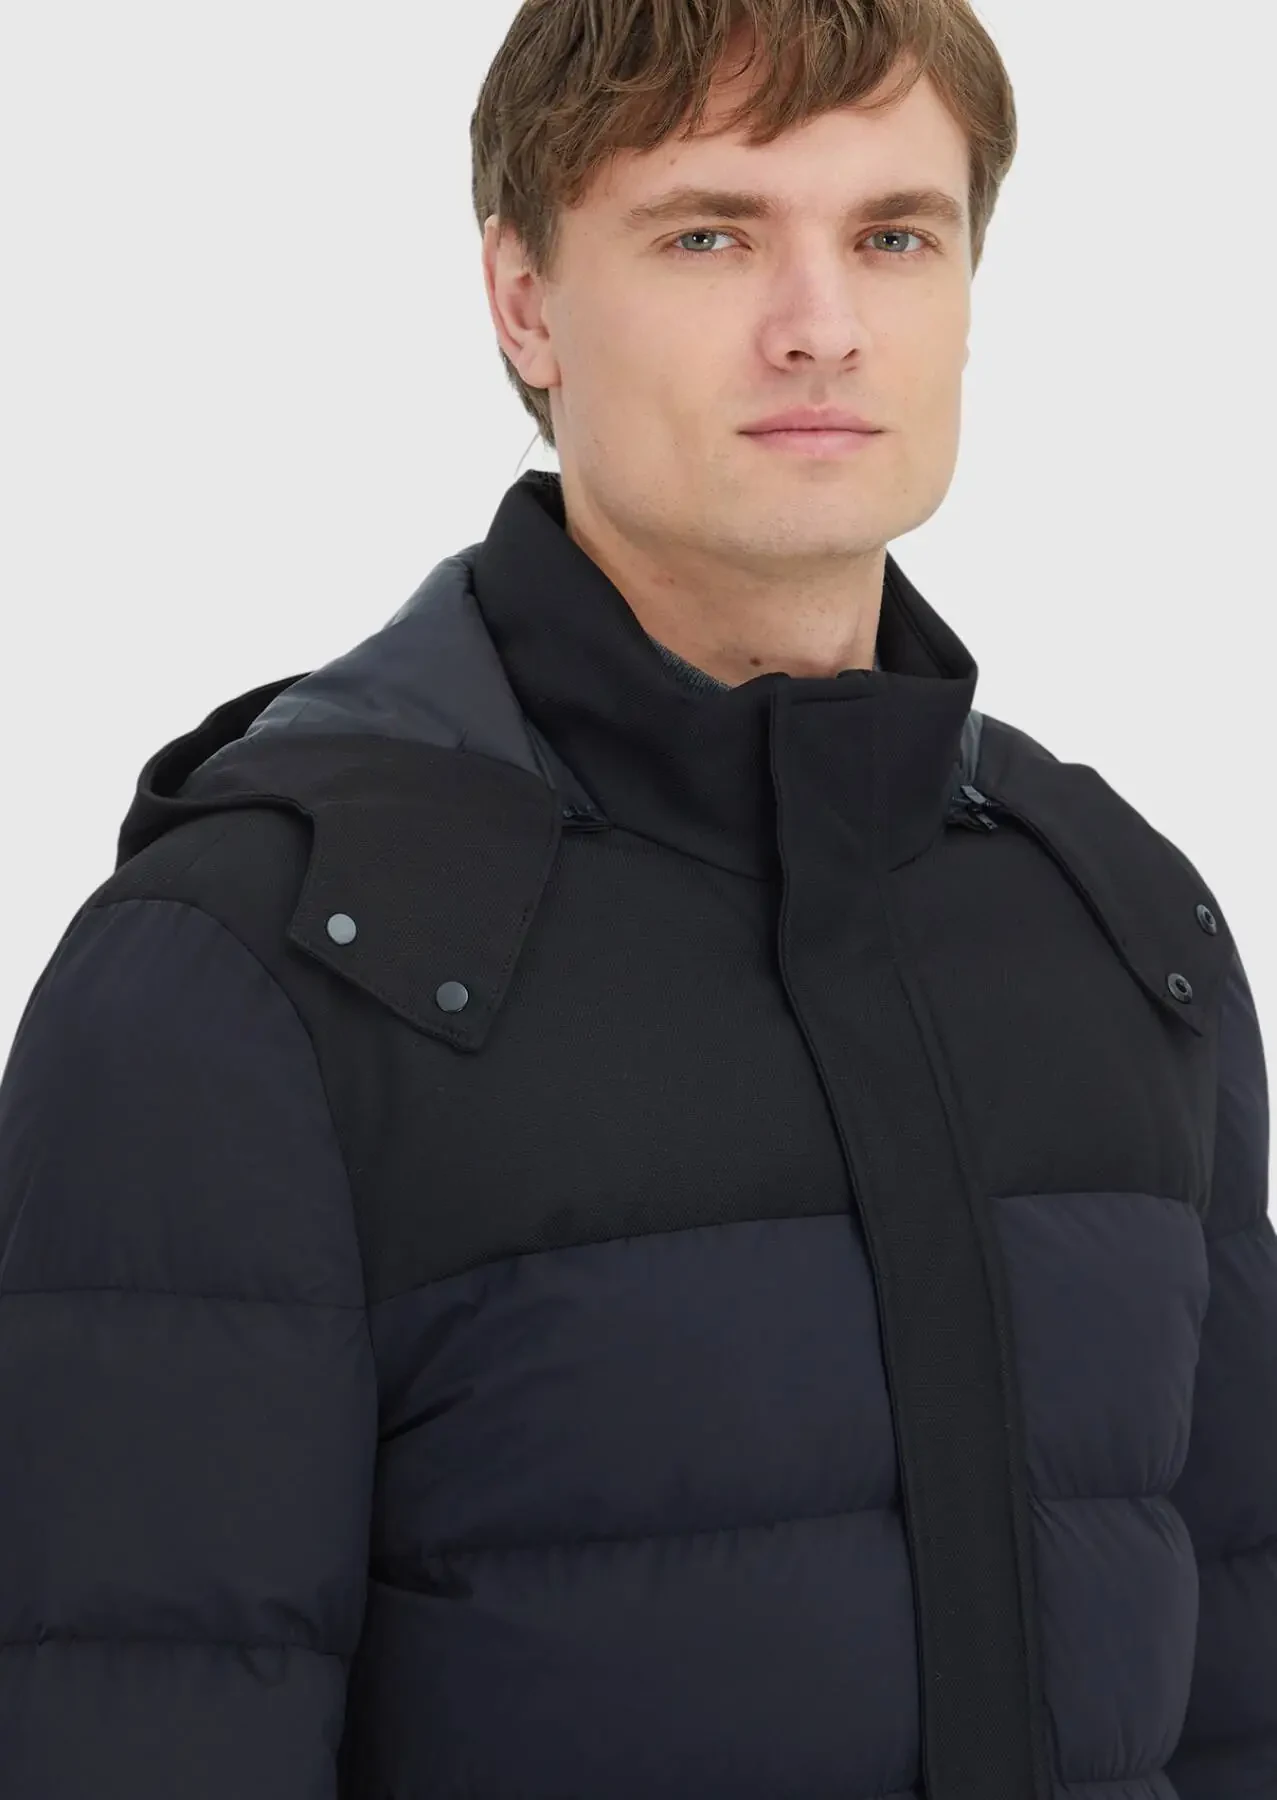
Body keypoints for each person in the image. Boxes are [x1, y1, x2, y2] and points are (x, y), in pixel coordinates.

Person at [0, 2, 1273, 1795]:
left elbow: (1233, 1693)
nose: (821, 324)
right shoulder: (252, 978)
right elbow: (130, 1718)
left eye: (894, 237)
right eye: (709, 237)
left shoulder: (1121, 936)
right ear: (523, 300)